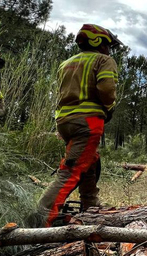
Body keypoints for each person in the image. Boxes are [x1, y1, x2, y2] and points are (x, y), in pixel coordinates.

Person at [36, 24, 121, 227]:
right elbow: (107, 89)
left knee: (90, 161)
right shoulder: (103, 60)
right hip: (88, 121)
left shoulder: (66, 63)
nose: (109, 50)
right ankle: (40, 219)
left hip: (65, 121)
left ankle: (91, 206)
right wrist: (109, 106)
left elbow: (60, 94)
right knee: (71, 170)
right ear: (96, 41)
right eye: (107, 45)